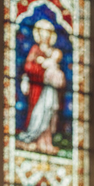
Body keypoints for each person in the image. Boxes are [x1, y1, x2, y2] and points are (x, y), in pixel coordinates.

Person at [17, 19, 66, 154]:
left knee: (50, 113)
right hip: (38, 88)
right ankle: (32, 138)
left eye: (48, 33)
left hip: (50, 90)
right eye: (43, 32)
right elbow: (28, 66)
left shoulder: (54, 52)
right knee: (38, 114)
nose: (45, 36)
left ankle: (46, 142)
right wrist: (42, 70)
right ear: (38, 34)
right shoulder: (36, 49)